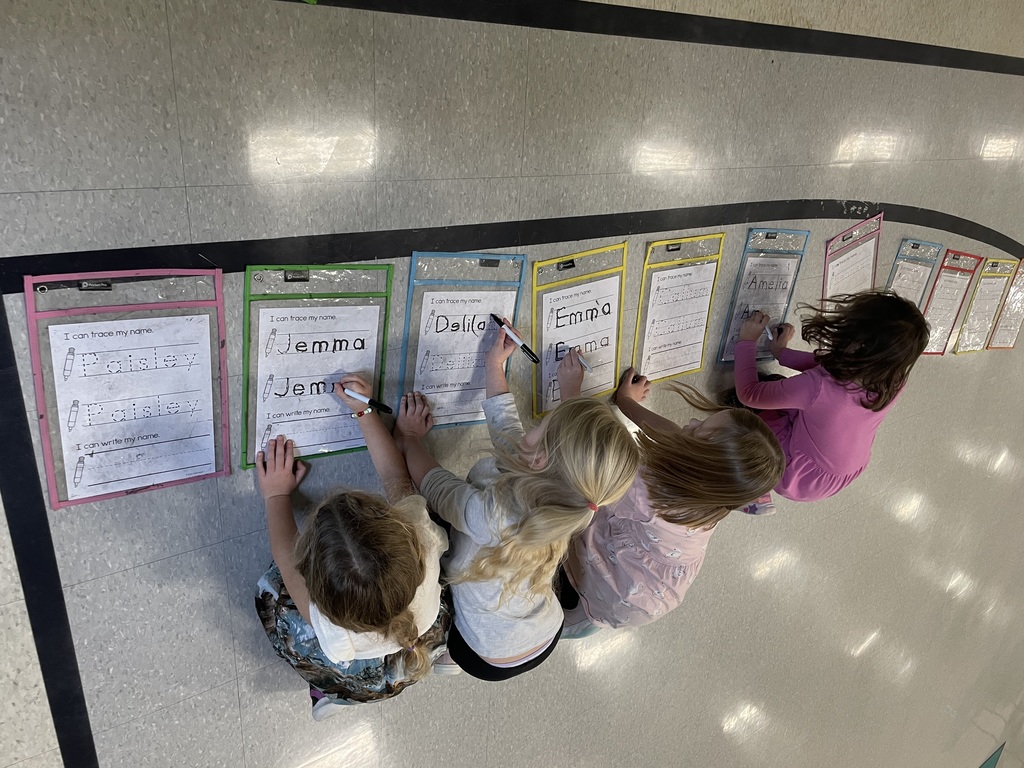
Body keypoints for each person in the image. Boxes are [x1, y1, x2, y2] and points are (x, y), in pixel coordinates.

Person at [395, 323, 640, 680]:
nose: (533, 427)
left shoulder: (491, 514)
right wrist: (494, 367)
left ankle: (449, 653)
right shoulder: (575, 503)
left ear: (539, 459)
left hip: (484, 656)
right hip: (546, 632)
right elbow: (508, 433)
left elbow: (437, 486)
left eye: (545, 423)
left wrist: (409, 438)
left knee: (432, 527)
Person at [254, 374, 449, 720]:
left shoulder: (329, 628)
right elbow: (397, 479)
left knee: (273, 598)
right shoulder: (423, 535)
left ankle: (328, 691)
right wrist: (364, 411)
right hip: (409, 649)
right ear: (403, 531)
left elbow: (286, 558)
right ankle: (349, 691)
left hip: (354, 663)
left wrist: (276, 494)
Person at [557, 358, 785, 636]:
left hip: (614, 592)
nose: (691, 421)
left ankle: (569, 609)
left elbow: (590, 458)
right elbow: (674, 435)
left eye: (700, 429)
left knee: (572, 522)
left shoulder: (647, 494)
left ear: (697, 462)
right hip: (649, 581)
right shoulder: (710, 487)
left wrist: (571, 394)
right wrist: (627, 403)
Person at [733, 290, 929, 502]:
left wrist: (747, 341)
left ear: (857, 344)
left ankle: (754, 488)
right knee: (786, 391)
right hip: (842, 469)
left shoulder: (815, 388)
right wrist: (782, 353)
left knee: (746, 413)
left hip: (797, 476)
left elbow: (748, 394)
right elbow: (832, 368)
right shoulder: (893, 377)